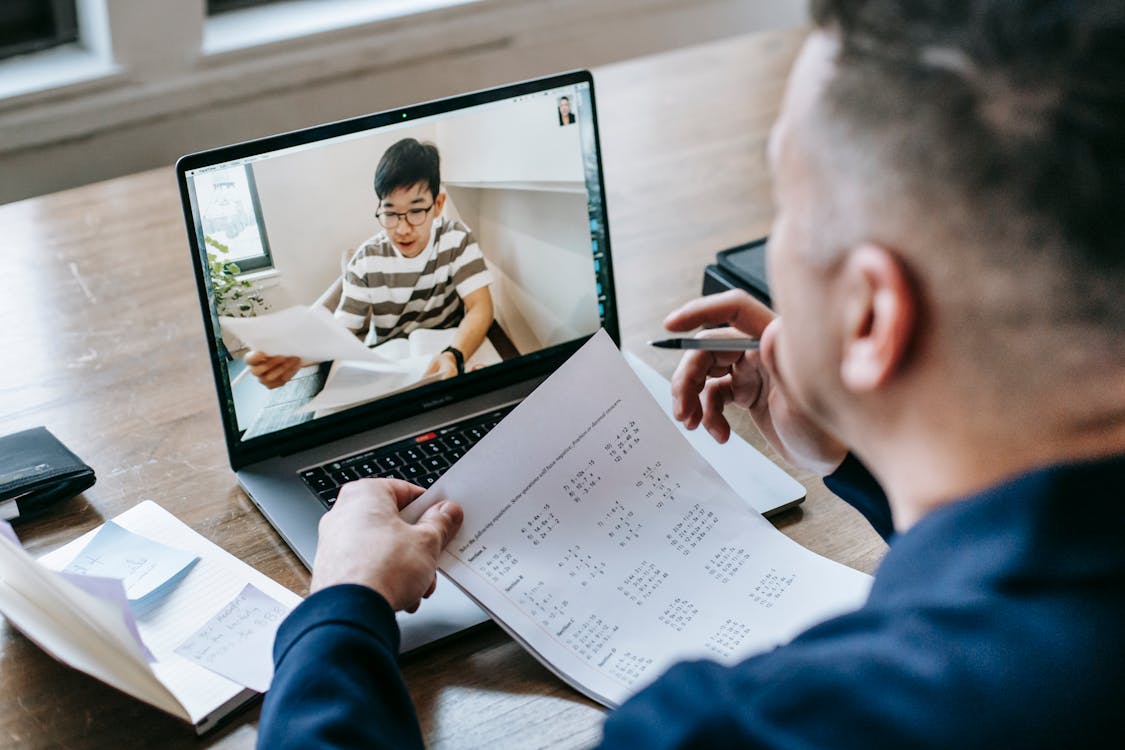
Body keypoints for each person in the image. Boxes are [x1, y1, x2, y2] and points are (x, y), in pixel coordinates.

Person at [257, 1, 1125, 747]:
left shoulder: (750, 727)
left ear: (868, 317)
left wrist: (343, 603)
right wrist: (857, 445)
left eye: (783, 206)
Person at [247, 138, 494, 387]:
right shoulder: (367, 260)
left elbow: (480, 307)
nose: (403, 228)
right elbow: (340, 332)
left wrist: (454, 355)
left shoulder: (457, 239)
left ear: (438, 205)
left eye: (416, 211)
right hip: (386, 361)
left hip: (447, 354)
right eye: (390, 213)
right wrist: (291, 357)